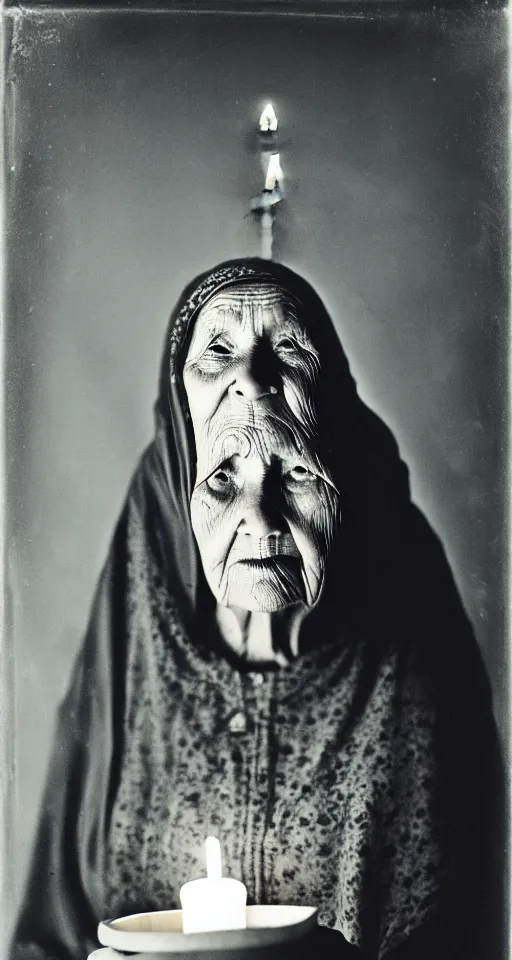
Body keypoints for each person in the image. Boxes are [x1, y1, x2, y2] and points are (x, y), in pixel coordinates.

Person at [10, 260, 502, 960]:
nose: (251, 379)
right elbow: (52, 929)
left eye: (295, 475)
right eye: (218, 352)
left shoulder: (400, 568)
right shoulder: (150, 548)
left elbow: (466, 914)